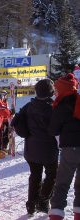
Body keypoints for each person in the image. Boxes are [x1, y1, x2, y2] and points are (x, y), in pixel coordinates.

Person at [12, 79, 59, 216]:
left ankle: (31, 205)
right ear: (51, 92)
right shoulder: (52, 107)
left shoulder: (29, 106)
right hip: (48, 149)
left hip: (31, 149)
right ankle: (43, 200)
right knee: (52, 175)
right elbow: (55, 129)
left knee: (35, 176)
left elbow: (18, 122)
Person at [48, 73, 80, 220]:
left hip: (70, 148)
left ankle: (56, 213)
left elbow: (53, 130)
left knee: (62, 182)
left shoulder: (61, 105)